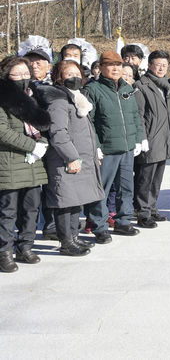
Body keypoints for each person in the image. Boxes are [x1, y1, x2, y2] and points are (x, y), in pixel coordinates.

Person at [35, 61, 104, 256]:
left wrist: (94, 151)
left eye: (76, 72)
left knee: (76, 200)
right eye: (68, 73)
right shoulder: (58, 101)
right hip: (64, 160)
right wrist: (71, 156)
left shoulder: (76, 98)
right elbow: (58, 133)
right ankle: (66, 242)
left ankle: (74, 237)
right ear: (58, 77)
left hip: (80, 158)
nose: (73, 76)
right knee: (65, 203)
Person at [84, 51, 146, 243]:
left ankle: (123, 220)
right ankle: (99, 226)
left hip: (127, 148)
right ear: (101, 68)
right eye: (110, 65)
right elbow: (88, 121)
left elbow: (135, 116)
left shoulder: (126, 87)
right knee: (101, 189)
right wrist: (96, 145)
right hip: (107, 149)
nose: (115, 69)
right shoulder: (93, 89)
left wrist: (138, 139)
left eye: (118, 65)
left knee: (126, 188)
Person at [0, 56, 50, 273]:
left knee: (31, 207)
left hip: (33, 163)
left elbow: (42, 125)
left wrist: (43, 145)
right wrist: (31, 146)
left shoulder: (33, 96)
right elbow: (3, 131)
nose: (22, 78)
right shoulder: (3, 96)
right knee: (8, 210)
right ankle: (4, 252)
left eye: (25, 74)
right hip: (10, 160)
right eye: (16, 74)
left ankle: (25, 246)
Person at [133, 50, 170, 228]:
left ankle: (152, 208)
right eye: (157, 65)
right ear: (149, 65)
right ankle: (142, 213)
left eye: (164, 65)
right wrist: (142, 138)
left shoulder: (166, 85)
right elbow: (139, 115)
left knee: (157, 179)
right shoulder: (141, 85)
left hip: (163, 139)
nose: (161, 68)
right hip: (150, 140)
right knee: (145, 179)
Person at [24, 48, 55, 239]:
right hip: (29, 146)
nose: (35, 66)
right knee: (31, 193)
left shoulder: (56, 86)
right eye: (31, 62)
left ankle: (51, 226)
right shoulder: (20, 88)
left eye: (39, 62)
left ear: (48, 66)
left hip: (52, 143)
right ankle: (27, 229)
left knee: (53, 187)